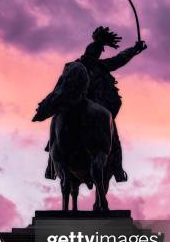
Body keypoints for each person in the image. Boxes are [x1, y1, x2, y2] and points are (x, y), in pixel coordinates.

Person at [43, 26, 147, 182]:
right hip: (96, 105)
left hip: (75, 104)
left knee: (56, 127)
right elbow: (120, 58)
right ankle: (117, 169)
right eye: (96, 52)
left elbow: (120, 58)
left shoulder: (73, 66)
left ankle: (51, 165)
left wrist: (134, 49)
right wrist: (135, 49)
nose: (95, 55)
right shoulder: (97, 66)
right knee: (113, 137)